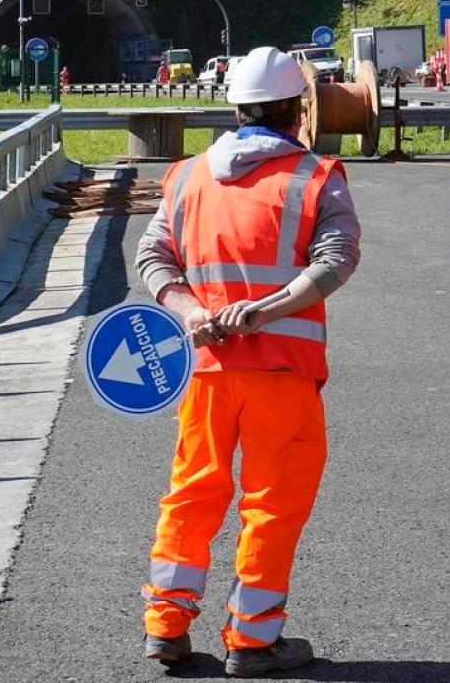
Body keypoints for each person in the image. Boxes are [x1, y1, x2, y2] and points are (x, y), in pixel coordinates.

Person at [136, 47, 361, 677]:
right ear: (298, 110)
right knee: (272, 502)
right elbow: (336, 259)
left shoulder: (185, 178)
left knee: (192, 493)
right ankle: (252, 641)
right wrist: (267, 310)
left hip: (206, 369)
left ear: (236, 109)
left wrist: (189, 312)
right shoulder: (315, 177)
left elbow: (153, 259)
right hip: (282, 370)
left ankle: (166, 628)